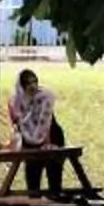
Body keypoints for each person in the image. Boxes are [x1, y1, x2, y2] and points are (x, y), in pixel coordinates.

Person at [11, 66, 65, 196]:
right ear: (22, 86)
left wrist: (45, 141)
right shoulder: (17, 102)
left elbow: (45, 122)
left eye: (35, 81)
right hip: (29, 142)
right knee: (33, 179)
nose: (33, 86)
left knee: (54, 178)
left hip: (52, 136)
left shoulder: (44, 98)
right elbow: (16, 124)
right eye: (28, 83)